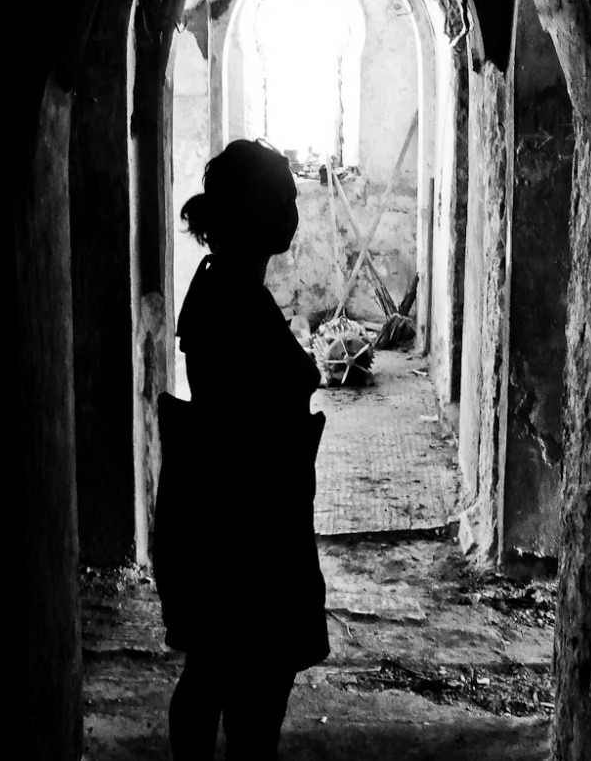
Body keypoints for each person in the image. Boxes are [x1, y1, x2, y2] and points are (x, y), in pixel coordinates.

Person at [154, 138, 329, 760]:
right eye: (282, 199)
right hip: (245, 530)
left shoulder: (224, 285)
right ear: (249, 211)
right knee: (248, 686)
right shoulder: (233, 299)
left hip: (234, 521)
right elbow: (249, 423)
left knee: (213, 671)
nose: (292, 213)